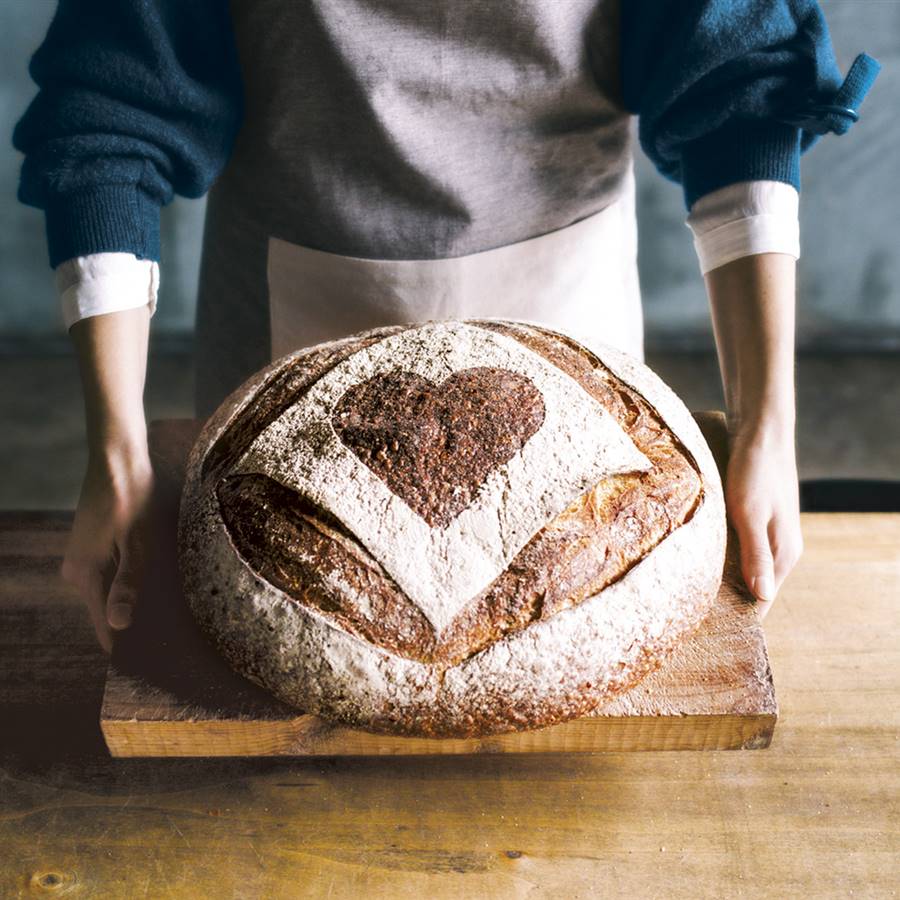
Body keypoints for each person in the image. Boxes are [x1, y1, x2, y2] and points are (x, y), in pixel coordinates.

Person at [12, 0, 879, 654]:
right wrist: (116, 453)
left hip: (570, 326)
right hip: (285, 337)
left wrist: (768, 426)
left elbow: (741, 91)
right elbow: (111, 114)